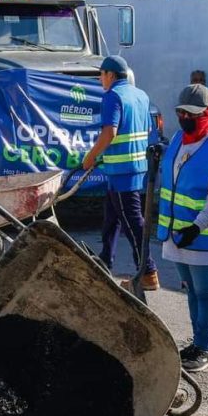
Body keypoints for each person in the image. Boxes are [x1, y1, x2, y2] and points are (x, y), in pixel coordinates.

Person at [155, 84, 208, 372]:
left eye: (192, 114)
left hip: (203, 237)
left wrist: (197, 227)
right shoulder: (178, 139)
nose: (185, 118)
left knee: (206, 292)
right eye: (181, 112)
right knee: (191, 289)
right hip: (176, 234)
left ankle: (206, 346)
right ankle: (198, 343)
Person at [82, 55, 159, 291]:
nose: (100, 79)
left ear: (111, 75)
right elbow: (145, 129)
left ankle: (148, 271)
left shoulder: (113, 96)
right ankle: (105, 261)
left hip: (122, 170)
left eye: (101, 74)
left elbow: (110, 132)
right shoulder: (141, 95)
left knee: (132, 220)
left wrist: (91, 156)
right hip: (135, 166)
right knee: (112, 218)